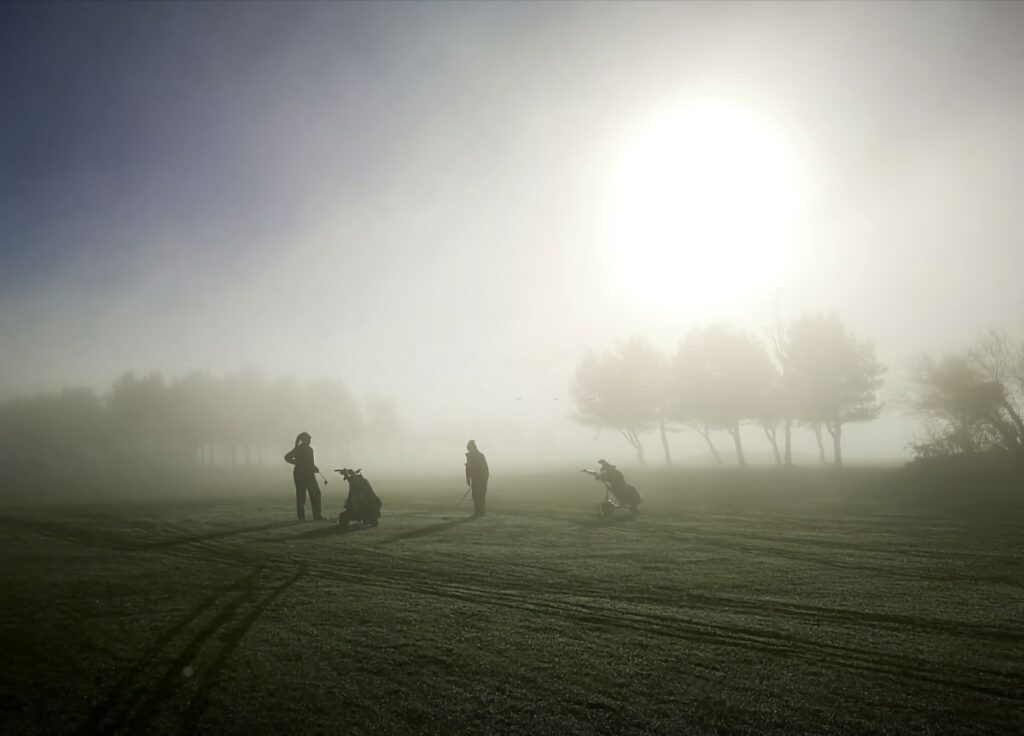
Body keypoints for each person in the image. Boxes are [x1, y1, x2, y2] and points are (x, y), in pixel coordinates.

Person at [284, 432, 323, 521]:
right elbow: (287, 457)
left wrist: (314, 467)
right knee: (302, 495)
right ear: (303, 440)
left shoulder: (308, 449)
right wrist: (297, 463)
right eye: (308, 439)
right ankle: (307, 516)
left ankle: (314, 516)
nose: (309, 441)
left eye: (310, 440)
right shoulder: (299, 449)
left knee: (314, 493)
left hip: (307, 474)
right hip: (301, 474)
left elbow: (310, 463)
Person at [464, 440, 489, 517]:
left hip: (481, 479)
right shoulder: (470, 456)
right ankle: (477, 512)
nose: (469, 450)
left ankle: (480, 512)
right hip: (475, 479)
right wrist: (468, 479)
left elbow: (484, 469)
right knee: (475, 496)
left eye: (470, 449)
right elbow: (468, 468)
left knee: (480, 496)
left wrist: (483, 479)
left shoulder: (480, 456)